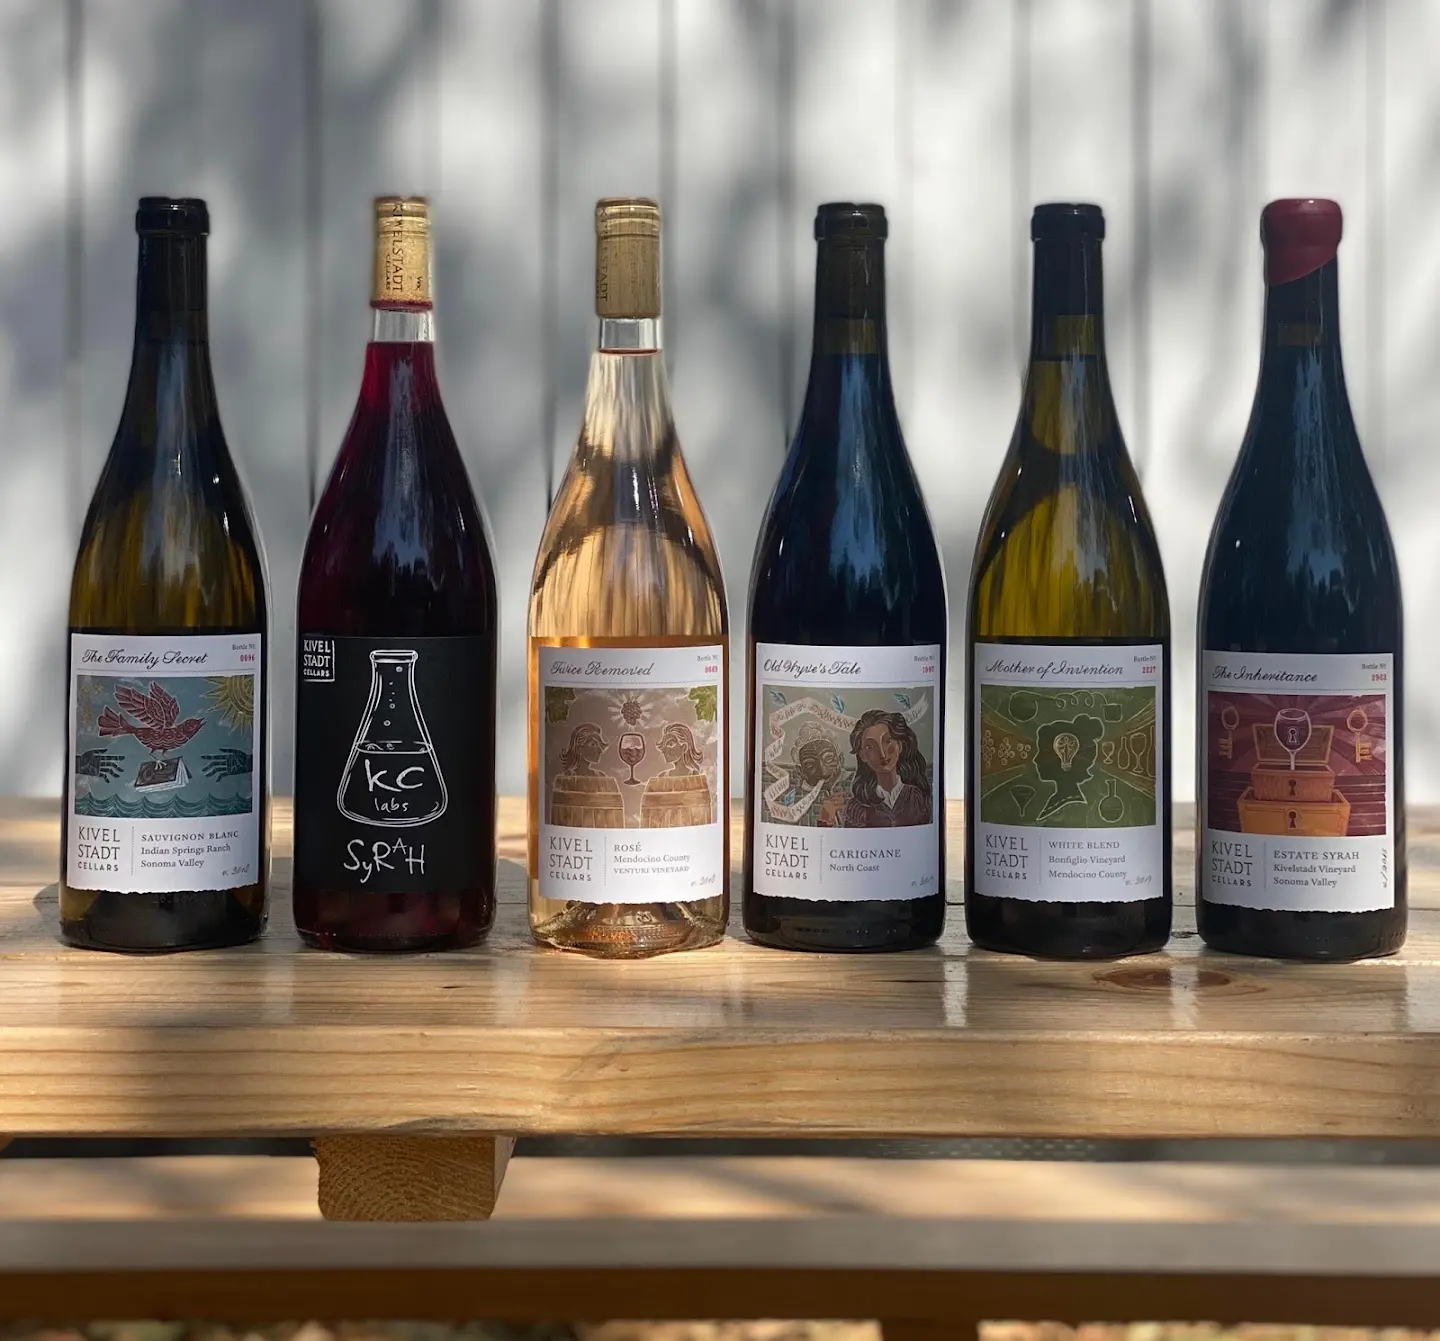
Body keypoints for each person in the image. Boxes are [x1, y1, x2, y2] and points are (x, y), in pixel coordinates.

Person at [820, 709, 931, 828]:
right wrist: (825, 820)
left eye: (888, 741)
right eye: (870, 746)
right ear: (862, 755)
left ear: (899, 745)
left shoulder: (916, 797)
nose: (882, 754)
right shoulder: (858, 807)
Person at [769, 726, 847, 826]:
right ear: (800, 771)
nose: (823, 772)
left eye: (828, 759)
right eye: (810, 765)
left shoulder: (858, 789)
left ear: (840, 760)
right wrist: (825, 819)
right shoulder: (795, 803)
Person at [641, 722, 714, 827]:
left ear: (684, 747)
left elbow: (701, 815)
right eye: (664, 746)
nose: (664, 750)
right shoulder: (662, 777)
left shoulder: (694, 777)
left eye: (671, 744)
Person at [550, 723, 624, 827]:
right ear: (579, 748)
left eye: (599, 744)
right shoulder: (567, 779)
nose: (599, 750)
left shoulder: (602, 777)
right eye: (593, 744)